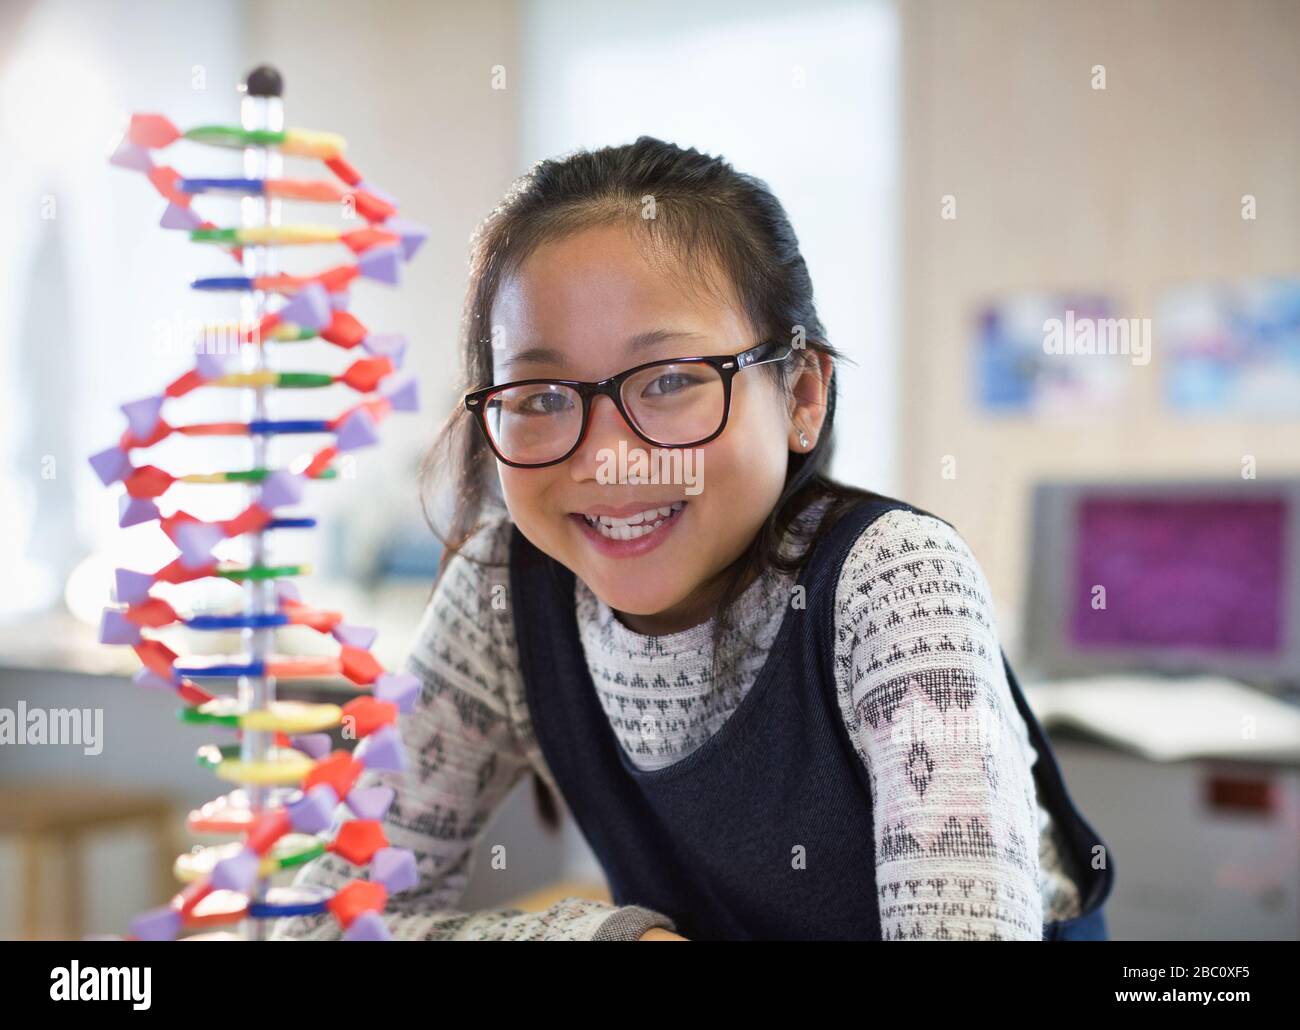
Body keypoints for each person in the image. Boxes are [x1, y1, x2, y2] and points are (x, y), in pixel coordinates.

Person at [272, 137, 1112, 941]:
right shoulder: (504, 592)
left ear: (803, 393)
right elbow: (318, 919)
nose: (608, 460)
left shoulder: (894, 583)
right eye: (538, 394)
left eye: (671, 381)